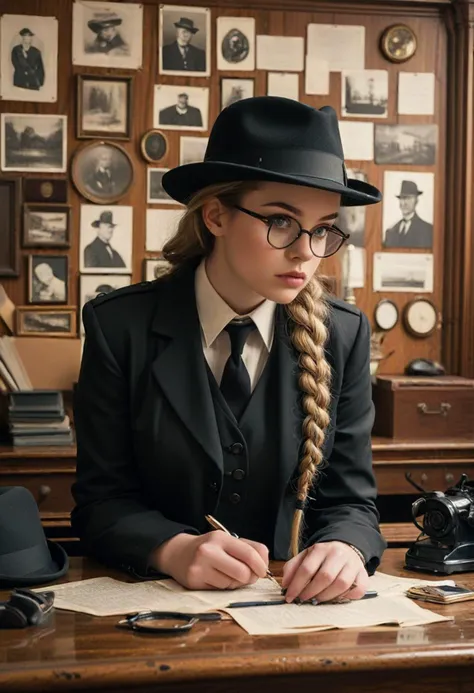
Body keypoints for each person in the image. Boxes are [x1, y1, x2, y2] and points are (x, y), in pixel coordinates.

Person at [72, 96, 387, 606]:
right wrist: (173, 550)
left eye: (325, 228)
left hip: (296, 620)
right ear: (216, 214)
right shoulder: (119, 327)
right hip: (155, 621)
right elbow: (101, 504)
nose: (307, 252)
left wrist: (344, 546)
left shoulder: (343, 335)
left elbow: (352, 501)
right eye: (281, 221)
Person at [384, 180, 433, 248]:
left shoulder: (428, 230)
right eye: (402, 198)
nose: (404, 203)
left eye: (409, 198)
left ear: (416, 201)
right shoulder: (390, 232)